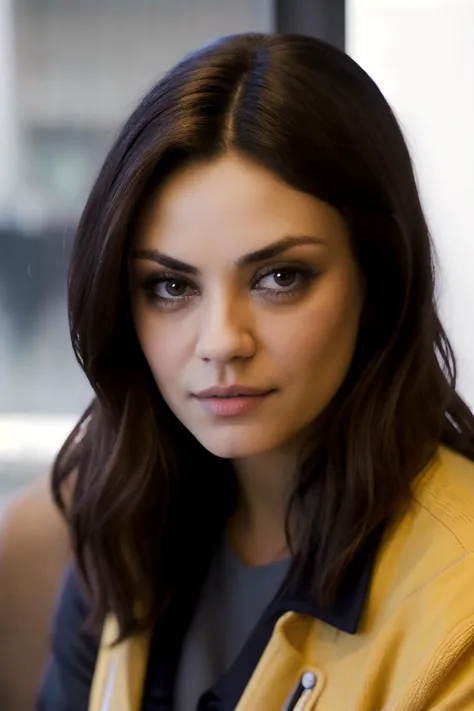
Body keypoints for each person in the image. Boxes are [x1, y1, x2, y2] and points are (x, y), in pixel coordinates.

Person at [36, 33, 474, 711]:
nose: (221, 342)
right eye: (171, 286)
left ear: (378, 276)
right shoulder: (125, 518)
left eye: (279, 276)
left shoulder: (459, 604)